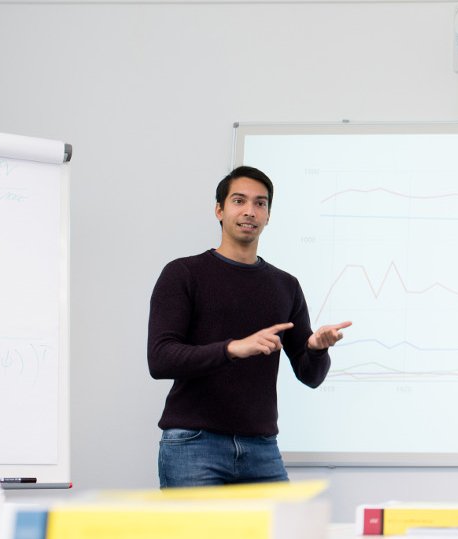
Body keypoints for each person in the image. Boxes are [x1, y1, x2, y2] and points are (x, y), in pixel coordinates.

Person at [147, 166, 352, 487]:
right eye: (239, 201)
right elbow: (160, 360)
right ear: (219, 209)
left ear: (268, 215)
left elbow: (310, 376)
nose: (250, 211)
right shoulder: (183, 273)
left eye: (260, 203)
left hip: (261, 447)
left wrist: (317, 349)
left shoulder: (285, 285)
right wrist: (232, 349)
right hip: (194, 444)